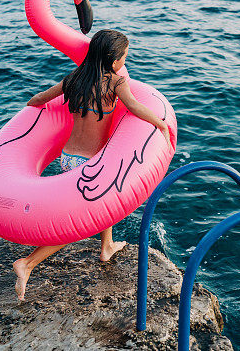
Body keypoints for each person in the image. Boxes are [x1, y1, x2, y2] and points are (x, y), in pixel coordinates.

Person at [13, 29, 171, 301]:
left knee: (102, 208)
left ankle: (107, 246)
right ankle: (27, 264)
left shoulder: (75, 78)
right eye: (124, 57)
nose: (125, 62)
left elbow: (39, 99)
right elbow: (133, 106)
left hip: (68, 159)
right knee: (78, 226)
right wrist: (160, 123)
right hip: (90, 164)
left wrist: (30, 108)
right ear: (113, 61)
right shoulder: (115, 83)